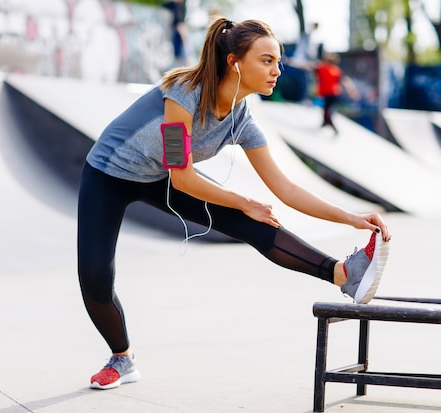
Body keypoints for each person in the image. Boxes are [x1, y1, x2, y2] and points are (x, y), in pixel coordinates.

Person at [77, 17, 392, 391]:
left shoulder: (242, 119)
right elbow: (183, 178)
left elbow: (286, 188)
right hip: (108, 175)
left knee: (255, 222)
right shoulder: (183, 93)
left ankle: (344, 274)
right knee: (95, 277)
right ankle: (122, 357)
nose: (277, 70)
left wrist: (352, 218)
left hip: (160, 176)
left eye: (278, 61)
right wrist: (244, 201)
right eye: (266, 61)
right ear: (234, 62)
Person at [315, 52, 359, 134]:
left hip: (331, 94)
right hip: (332, 93)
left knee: (327, 111)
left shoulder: (323, 68)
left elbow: (309, 67)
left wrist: (352, 92)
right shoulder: (335, 70)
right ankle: (324, 122)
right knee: (326, 109)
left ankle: (333, 128)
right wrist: (352, 92)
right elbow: (346, 81)